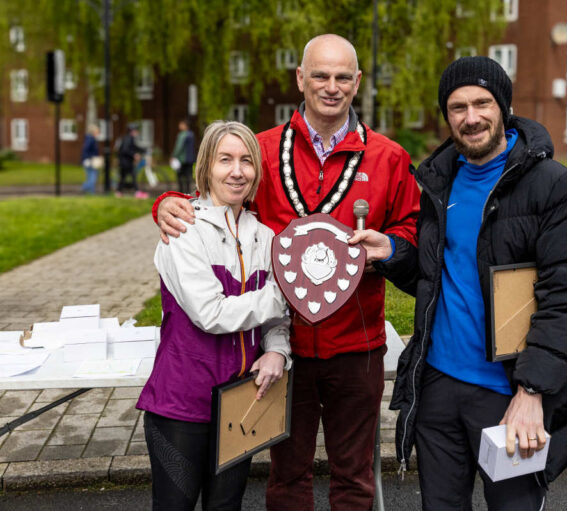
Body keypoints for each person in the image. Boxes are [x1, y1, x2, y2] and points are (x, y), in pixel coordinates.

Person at [153, 34, 420, 510]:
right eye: (320, 75)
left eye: (342, 77)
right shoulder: (259, 151)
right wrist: (166, 204)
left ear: (357, 83)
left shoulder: (388, 158)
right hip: (281, 349)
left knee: (355, 478)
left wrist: (394, 247)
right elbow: (216, 200)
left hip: (355, 346)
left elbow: (413, 234)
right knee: (286, 476)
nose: (331, 86)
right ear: (301, 78)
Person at [349, 56, 567, 510]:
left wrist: (532, 392)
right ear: (446, 115)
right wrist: (392, 252)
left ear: (503, 106)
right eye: (457, 107)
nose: (470, 118)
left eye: (482, 103)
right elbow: (439, 276)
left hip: (509, 393)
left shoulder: (552, 185)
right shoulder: (439, 181)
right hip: (438, 388)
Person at [136, 120, 292, 511]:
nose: (237, 171)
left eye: (246, 161)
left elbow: (274, 321)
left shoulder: (265, 236)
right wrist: (289, 291)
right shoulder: (184, 228)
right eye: (225, 159)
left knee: (226, 507)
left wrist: (277, 351)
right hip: (180, 404)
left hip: (240, 399)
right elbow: (211, 314)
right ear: (206, 166)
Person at [117, 123, 147, 198]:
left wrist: (143, 150)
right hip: (126, 162)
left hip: (125, 161)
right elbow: (125, 150)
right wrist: (134, 154)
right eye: (136, 131)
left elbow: (134, 147)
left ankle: (119, 192)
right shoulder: (129, 138)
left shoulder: (129, 138)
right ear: (133, 131)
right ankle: (137, 192)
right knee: (133, 175)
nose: (138, 132)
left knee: (123, 177)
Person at [172, 119, 196, 194]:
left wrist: (174, 155)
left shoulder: (182, 135)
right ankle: (188, 192)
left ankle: (181, 192)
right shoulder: (191, 134)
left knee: (180, 176)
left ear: (185, 126)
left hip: (182, 159)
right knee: (188, 176)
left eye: (181, 124)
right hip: (190, 159)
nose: (179, 126)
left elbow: (179, 147)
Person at [80, 124, 101, 194]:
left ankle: (91, 193)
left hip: (89, 160)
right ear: (93, 132)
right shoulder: (90, 139)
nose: (98, 133)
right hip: (90, 161)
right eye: (97, 131)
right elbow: (86, 150)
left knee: (91, 177)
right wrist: (91, 157)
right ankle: (84, 187)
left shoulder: (90, 139)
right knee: (93, 178)